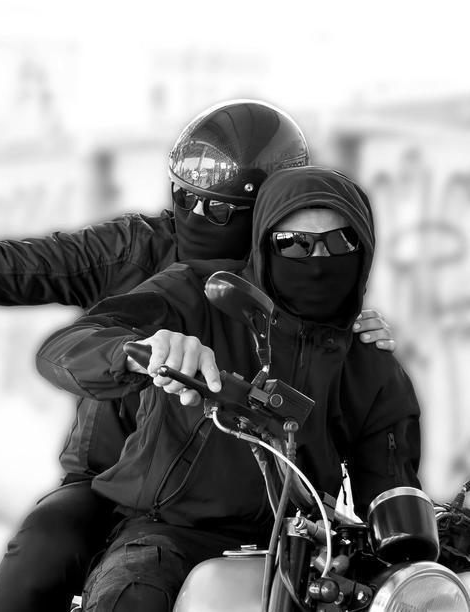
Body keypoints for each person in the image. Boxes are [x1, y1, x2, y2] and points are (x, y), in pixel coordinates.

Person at [0, 101, 396, 612]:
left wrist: (354, 332)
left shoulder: (306, 277)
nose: (198, 219)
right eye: (187, 198)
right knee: (38, 559)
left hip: (281, 509)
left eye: (222, 209)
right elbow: (7, 268)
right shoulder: (141, 254)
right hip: (122, 487)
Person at [35, 166, 421, 612]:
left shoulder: (367, 356)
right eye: (293, 244)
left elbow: (393, 491)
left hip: (303, 549)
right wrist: (139, 350)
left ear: (364, 249)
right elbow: (65, 348)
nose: (318, 260)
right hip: (171, 532)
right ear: (262, 245)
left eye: (339, 242)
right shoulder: (195, 295)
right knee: (129, 595)